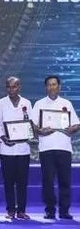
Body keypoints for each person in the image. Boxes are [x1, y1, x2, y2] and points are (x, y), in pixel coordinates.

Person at [31, 75, 79, 220]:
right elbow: (33, 125)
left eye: (54, 84)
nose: (52, 87)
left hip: (64, 147)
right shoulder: (39, 104)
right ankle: (50, 210)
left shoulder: (67, 103)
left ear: (59, 87)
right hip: (46, 147)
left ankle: (64, 211)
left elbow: (76, 124)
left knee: (65, 180)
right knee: (48, 180)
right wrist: (40, 131)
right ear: (46, 87)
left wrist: (73, 129)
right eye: (49, 85)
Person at [0, 76, 32, 220]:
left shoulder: (26, 103)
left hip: (23, 149)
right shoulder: (1, 103)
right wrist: (3, 138)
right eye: (9, 87)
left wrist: (28, 133)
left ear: (19, 87)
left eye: (14, 86)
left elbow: (30, 123)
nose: (11, 89)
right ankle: (10, 210)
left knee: (22, 181)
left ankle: (21, 210)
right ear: (6, 88)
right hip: (7, 149)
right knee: (8, 181)